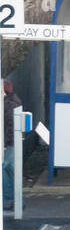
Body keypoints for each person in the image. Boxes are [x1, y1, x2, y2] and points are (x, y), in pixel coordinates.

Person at [3, 78, 21, 206]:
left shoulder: (9, 104)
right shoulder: (12, 101)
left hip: (9, 142)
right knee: (9, 170)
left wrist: (4, 142)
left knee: (4, 168)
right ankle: (14, 200)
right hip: (11, 142)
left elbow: (8, 125)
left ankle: (10, 199)